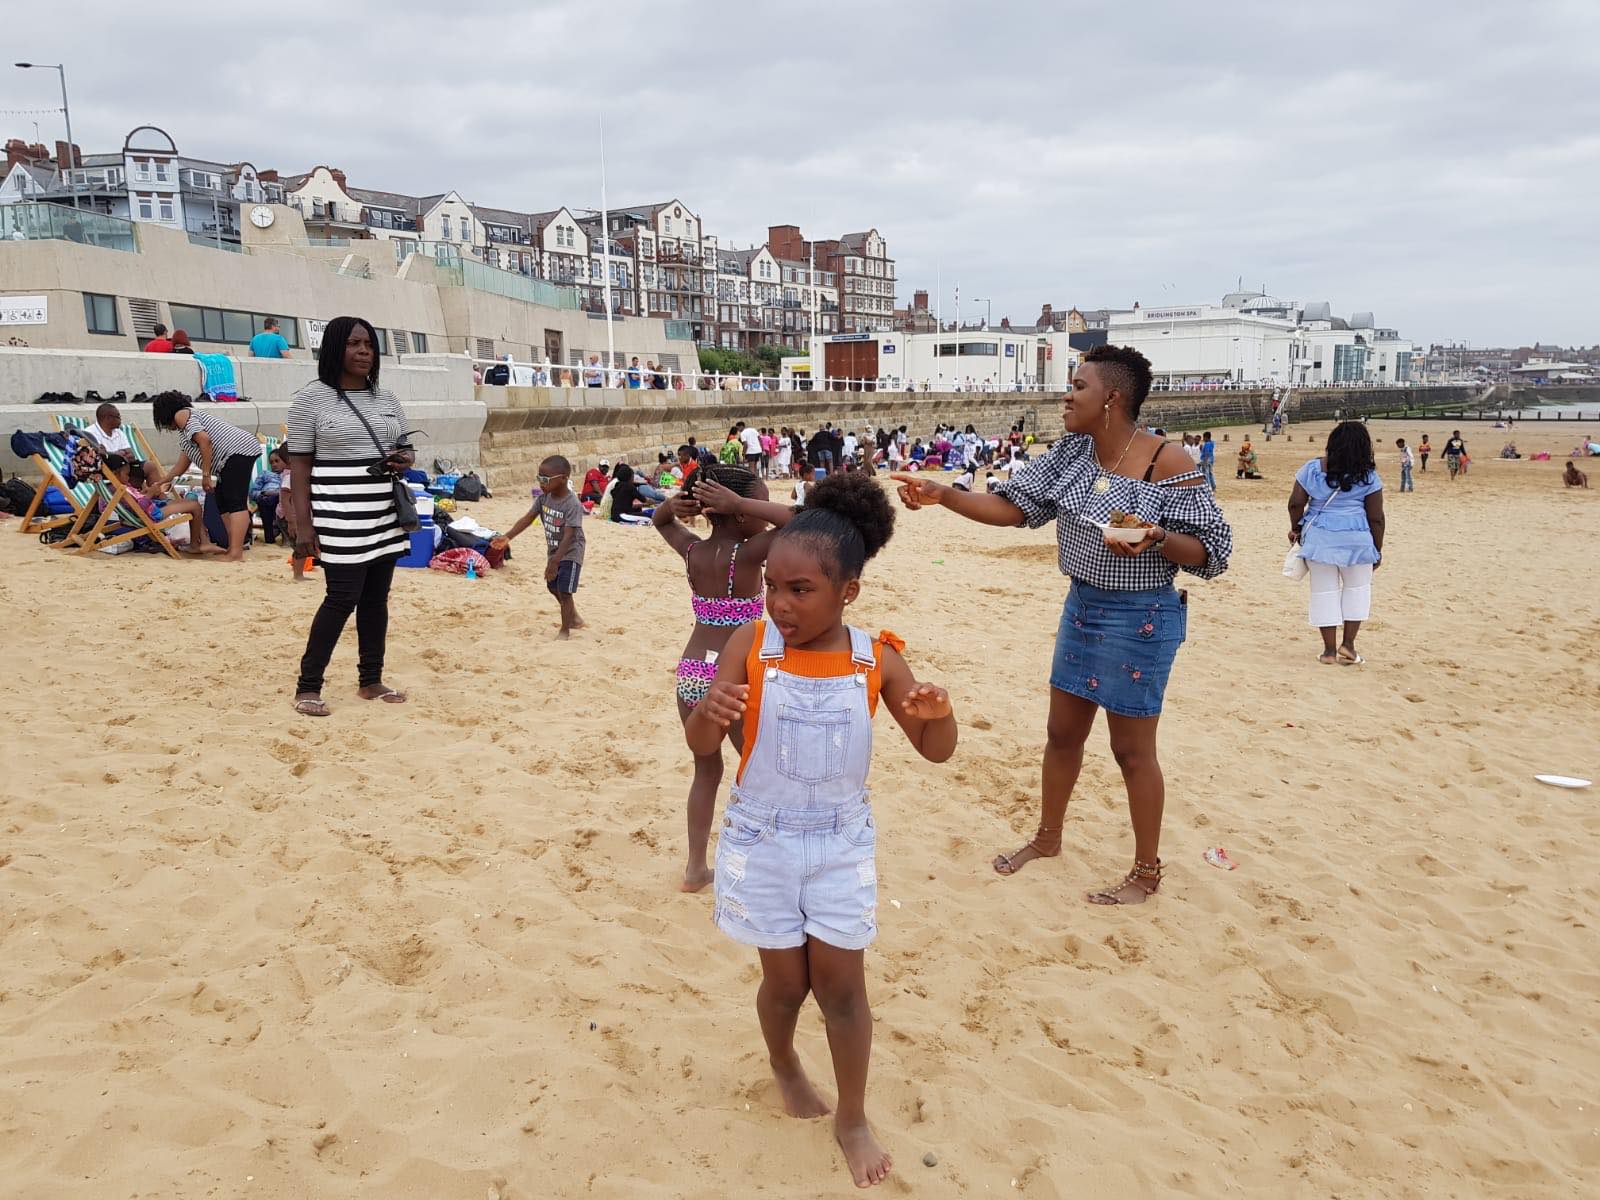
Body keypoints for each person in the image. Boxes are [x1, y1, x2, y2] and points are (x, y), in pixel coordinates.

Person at [685, 472, 956, 1190]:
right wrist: (707, 714)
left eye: (800, 590)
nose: (779, 603)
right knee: (783, 984)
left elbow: (937, 751)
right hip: (761, 837)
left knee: (841, 987)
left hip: (839, 843)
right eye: (772, 585)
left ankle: (853, 1116)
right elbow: (703, 750)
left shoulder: (876, 658)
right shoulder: (751, 643)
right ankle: (782, 1060)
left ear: (848, 593)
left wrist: (937, 714)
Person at [892, 343, 1233, 905]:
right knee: (1061, 734)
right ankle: (1047, 838)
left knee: (1131, 752)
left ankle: (1147, 872)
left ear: (1112, 397)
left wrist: (1155, 538)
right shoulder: (1071, 454)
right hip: (1082, 607)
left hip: (1142, 616)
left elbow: (1214, 549)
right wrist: (941, 494)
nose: (1066, 395)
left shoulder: (1166, 461)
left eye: (1078, 386)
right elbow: (1014, 508)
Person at [652, 466, 795, 891]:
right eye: (756, 506)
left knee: (705, 770)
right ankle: (765, 862)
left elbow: (661, 521)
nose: (763, 515)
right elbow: (801, 520)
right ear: (735, 513)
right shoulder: (749, 553)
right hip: (734, 673)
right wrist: (742, 503)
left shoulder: (694, 551)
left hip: (693, 670)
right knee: (755, 770)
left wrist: (673, 506)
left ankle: (696, 868)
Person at [288, 316, 414, 716]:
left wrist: (405, 458)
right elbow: (300, 467)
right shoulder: (311, 399)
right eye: (354, 344)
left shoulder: (386, 398)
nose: (364, 352)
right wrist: (303, 526)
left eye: (370, 345)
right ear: (335, 348)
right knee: (341, 598)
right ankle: (308, 686)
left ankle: (370, 679)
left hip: (383, 509)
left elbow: (405, 447)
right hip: (339, 511)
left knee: (376, 599)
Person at [1287, 421, 1385, 667]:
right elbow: (1376, 517)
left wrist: (1296, 527)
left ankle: (1329, 651)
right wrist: (1377, 549)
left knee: (1324, 592)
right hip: (1358, 540)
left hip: (1319, 539)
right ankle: (1349, 645)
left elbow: (1295, 503)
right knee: (1357, 590)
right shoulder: (1369, 476)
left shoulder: (1311, 469)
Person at [149, 391, 263, 563]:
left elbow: (205, 441)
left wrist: (206, 475)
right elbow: (180, 467)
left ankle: (236, 553)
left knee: (235, 502)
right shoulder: (185, 432)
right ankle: (233, 548)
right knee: (222, 502)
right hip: (235, 454)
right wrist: (160, 482)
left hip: (238, 451)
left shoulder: (182, 414)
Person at [494, 456, 586, 638]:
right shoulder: (544, 499)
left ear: (563, 478)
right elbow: (528, 518)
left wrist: (555, 562)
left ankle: (565, 630)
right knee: (552, 587)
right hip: (554, 550)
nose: (541, 483)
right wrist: (508, 536)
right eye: (539, 478)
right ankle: (573, 617)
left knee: (565, 591)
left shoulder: (572, 504)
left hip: (571, 551)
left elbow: (570, 535)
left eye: (545, 479)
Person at [132, 460, 210, 552]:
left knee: (191, 498)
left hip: (155, 510)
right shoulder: (125, 490)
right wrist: (150, 494)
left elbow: (139, 502)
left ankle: (204, 542)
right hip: (155, 514)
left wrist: (147, 493)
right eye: (126, 474)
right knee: (194, 505)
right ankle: (197, 544)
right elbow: (140, 506)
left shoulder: (126, 489)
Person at [250, 445, 289, 542]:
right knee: (266, 501)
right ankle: (271, 534)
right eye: (271, 462)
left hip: (283, 501)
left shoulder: (289, 474)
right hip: (267, 500)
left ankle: (281, 531)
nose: (274, 464)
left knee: (281, 498)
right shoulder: (265, 474)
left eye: (277, 461)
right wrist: (263, 494)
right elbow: (252, 492)